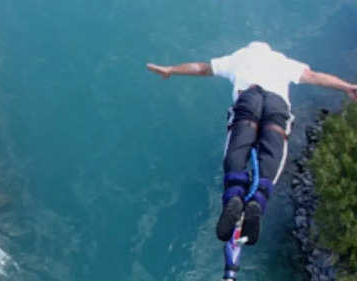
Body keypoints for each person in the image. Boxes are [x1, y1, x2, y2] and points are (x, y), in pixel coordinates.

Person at [147, 42, 357, 245]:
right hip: (276, 104)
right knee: (274, 146)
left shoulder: (238, 58)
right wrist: (347, 87)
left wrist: (171, 69)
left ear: (249, 50)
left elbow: (202, 68)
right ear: (270, 51)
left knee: (238, 144)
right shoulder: (283, 62)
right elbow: (314, 76)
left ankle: (234, 194)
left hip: (248, 98)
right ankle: (258, 198)